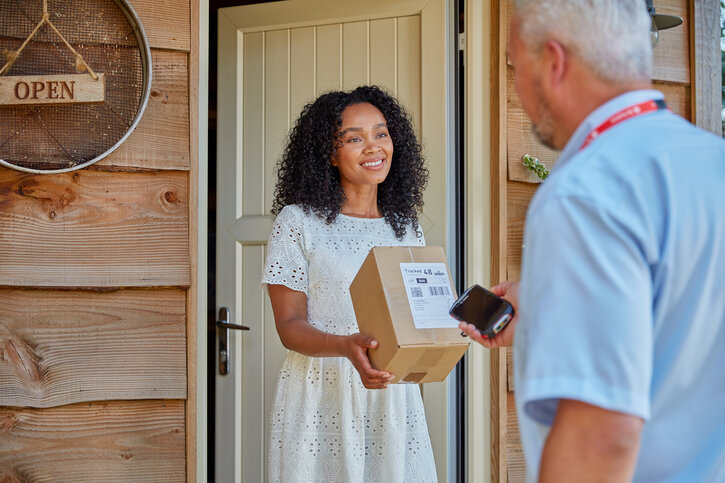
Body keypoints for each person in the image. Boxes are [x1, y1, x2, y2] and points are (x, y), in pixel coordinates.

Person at [460, 1, 725, 481]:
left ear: (555, 63)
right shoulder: (712, 161)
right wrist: (552, 312)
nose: (517, 89)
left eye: (517, 68)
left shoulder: (584, 194)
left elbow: (600, 440)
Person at [261, 85, 438, 482]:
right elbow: (289, 327)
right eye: (354, 138)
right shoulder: (298, 222)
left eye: (381, 133)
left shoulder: (406, 229)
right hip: (319, 396)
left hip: (389, 396)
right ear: (329, 153)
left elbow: (415, 321)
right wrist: (345, 347)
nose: (373, 147)